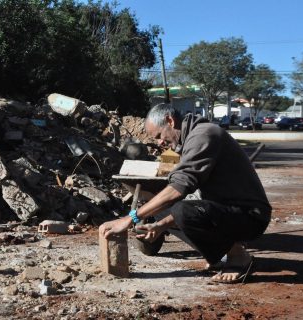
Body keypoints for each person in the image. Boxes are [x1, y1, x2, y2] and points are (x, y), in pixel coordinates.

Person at [100, 103, 271, 283]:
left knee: (182, 210)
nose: (159, 142)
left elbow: (180, 187)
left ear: (170, 121)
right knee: (161, 210)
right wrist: (160, 226)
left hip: (250, 216)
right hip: (226, 210)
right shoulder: (191, 138)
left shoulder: (204, 135)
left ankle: (238, 257)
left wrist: (129, 219)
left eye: (159, 135)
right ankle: (220, 255)